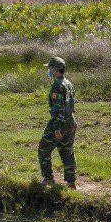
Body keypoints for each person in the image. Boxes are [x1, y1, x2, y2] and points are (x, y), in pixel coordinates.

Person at [39, 57, 77, 189]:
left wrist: (56, 128)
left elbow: (56, 109)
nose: (48, 71)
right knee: (67, 151)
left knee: (44, 149)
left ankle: (48, 178)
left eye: (50, 68)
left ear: (55, 69)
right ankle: (71, 182)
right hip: (70, 121)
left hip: (59, 122)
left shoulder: (57, 85)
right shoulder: (68, 83)